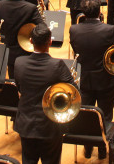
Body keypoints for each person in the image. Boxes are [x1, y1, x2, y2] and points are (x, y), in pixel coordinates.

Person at [69, 0, 114, 158]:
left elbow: (76, 50)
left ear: (84, 12)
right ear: (100, 11)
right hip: (106, 80)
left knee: (87, 114)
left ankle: (88, 147)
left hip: (84, 80)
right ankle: (103, 149)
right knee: (106, 115)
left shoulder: (74, 29)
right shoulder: (109, 30)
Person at [13, 23, 76, 164]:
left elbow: (19, 87)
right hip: (50, 127)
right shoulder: (58, 66)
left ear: (30, 41)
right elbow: (74, 92)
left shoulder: (19, 63)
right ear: (50, 42)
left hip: (26, 124)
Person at [0, 0, 44, 76]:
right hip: (26, 54)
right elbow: (42, 28)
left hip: (8, 53)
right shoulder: (31, 8)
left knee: (13, 78)